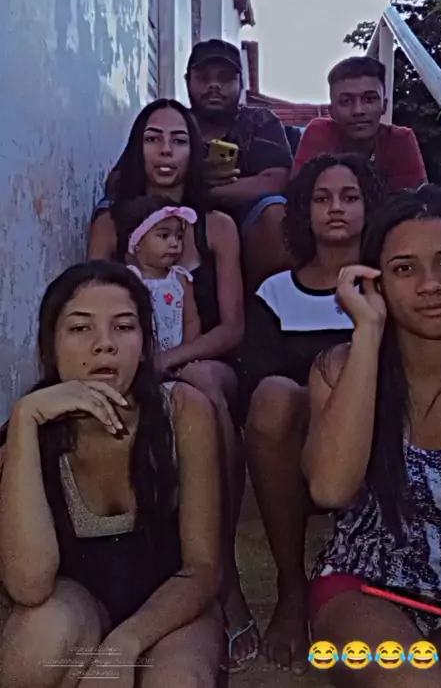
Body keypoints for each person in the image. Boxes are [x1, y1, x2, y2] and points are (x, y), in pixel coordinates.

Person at [86, 99, 254, 671]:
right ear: (138, 149)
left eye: (179, 140)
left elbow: (232, 328)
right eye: (153, 138)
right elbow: (89, 303)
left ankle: (224, 573)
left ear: (194, 151)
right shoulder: (112, 225)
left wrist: (169, 361)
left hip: (203, 359)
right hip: (131, 365)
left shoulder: (218, 226)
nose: (165, 151)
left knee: (201, 387)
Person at [0, 261, 222, 688]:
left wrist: (123, 645)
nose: (104, 345)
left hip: (170, 609)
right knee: (34, 649)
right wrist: (25, 420)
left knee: (177, 682)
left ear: (145, 344)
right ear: (49, 347)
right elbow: (29, 586)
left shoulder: (183, 412)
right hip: (79, 608)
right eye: (80, 328)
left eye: (123, 327)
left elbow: (202, 570)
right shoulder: (28, 434)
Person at [304, 185, 441, 688]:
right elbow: (329, 488)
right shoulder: (340, 369)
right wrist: (367, 332)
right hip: (363, 589)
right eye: (405, 269)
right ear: (375, 284)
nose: (430, 285)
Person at [243, 154, 385, 674]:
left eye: (350, 197)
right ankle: (290, 588)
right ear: (304, 211)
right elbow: (257, 393)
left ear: (370, 207)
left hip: (381, 449)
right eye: (322, 198)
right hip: (304, 462)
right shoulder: (275, 293)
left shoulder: (389, 288)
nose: (336, 208)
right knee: (274, 395)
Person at [186, 38, 294, 290]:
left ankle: (262, 305)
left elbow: (275, 181)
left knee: (276, 212)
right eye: (203, 77)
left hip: (248, 224)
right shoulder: (171, 122)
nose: (214, 85)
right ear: (187, 81)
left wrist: (196, 190)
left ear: (240, 84)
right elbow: (120, 180)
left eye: (225, 78)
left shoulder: (259, 120)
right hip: (176, 218)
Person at [292, 57, 427, 192]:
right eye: (346, 101)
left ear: (384, 106)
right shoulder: (319, 132)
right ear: (332, 112)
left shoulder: (400, 140)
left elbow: (416, 201)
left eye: (369, 99)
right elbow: (299, 196)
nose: (358, 110)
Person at [122, 197, 201, 365]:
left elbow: (191, 321)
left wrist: (184, 355)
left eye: (179, 237)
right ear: (137, 242)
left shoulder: (180, 279)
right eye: (164, 236)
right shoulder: (129, 279)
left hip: (177, 360)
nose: (174, 243)